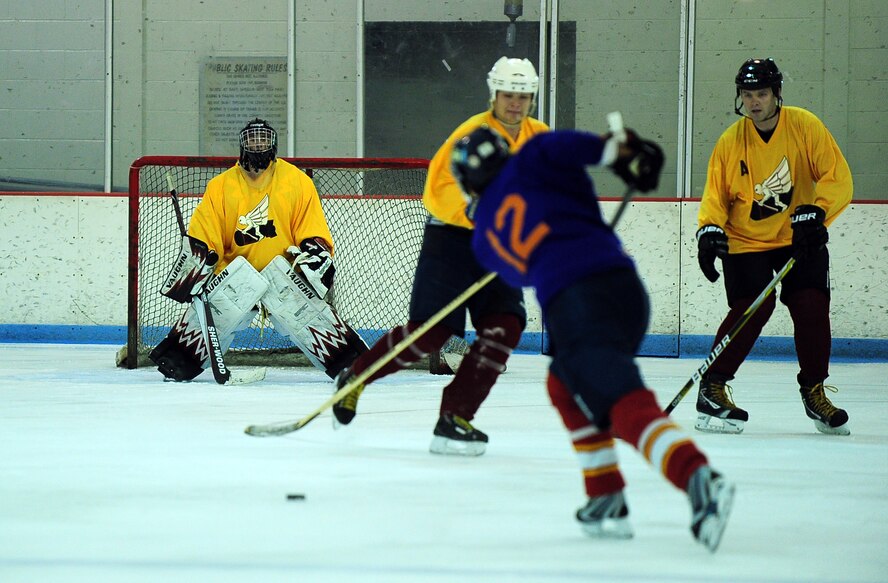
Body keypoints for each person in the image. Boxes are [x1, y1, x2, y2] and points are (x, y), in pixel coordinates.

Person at [449, 125, 733, 551]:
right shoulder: (539, 150)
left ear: (469, 181)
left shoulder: (486, 235)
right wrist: (631, 154)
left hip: (575, 305)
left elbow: (518, 272)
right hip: (624, 289)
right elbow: (606, 149)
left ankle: (698, 477)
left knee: (622, 402)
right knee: (561, 384)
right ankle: (605, 494)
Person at [331, 57, 549, 456]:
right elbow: (437, 186)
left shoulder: (540, 139)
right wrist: (472, 208)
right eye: (508, 95)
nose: (516, 104)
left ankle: (454, 418)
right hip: (451, 241)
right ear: (493, 94)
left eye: (523, 96)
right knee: (429, 332)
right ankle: (355, 378)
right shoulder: (472, 133)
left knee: (505, 325)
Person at [694, 58, 853, 435]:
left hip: (799, 235)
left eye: (761, 93)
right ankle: (713, 387)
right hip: (746, 239)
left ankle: (814, 390)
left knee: (811, 303)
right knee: (753, 307)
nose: (754, 102)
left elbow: (838, 177)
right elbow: (716, 194)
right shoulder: (732, 141)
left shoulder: (804, 126)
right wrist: (709, 229)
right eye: (747, 95)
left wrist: (818, 213)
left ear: (776, 94)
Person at [149, 118, 366, 381]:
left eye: (263, 139)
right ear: (242, 145)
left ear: (273, 144)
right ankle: (178, 360)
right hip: (236, 275)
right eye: (253, 139)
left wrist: (315, 250)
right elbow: (205, 234)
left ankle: (350, 363)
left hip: (282, 274)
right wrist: (199, 262)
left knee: (305, 314)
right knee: (219, 312)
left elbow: (312, 228)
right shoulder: (220, 186)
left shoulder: (297, 182)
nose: (258, 144)